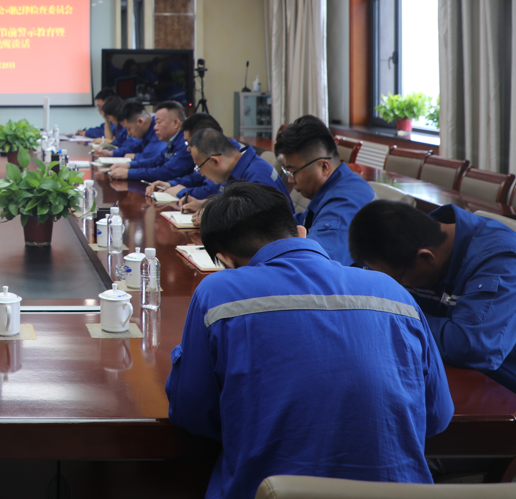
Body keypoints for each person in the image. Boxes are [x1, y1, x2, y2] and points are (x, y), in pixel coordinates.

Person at [166, 182, 452, 499]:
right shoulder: (393, 292)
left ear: (225, 261)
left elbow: (193, 413)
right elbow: (437, 415)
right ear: (301, 233)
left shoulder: (217, 293)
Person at [350, 201, 516, 469]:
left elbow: (473, 347)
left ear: (426, 258)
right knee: (363, 424)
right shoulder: (418, 241)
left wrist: (398, 316)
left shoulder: (504, 261)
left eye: (396, 280)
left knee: (389, 455)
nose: (394, 288)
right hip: (489, 403)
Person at [274, 115, 374, 266]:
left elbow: (313, 265)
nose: (290, 180)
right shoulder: (333, 189)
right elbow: (299, 223)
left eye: (293, 172)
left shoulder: (344, 203)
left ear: (324, 167)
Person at [171, 127, 287, 219]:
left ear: (215, 161)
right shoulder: (234, 170)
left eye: (199, 167)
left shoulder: (256, 177)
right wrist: (203, 204)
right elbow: (233, 206)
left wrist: (212, 218)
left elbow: (257, 224)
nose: (200, 173)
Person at [108, 101, 191, 182]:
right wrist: (129, 165)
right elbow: (156, 161)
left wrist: (129, 173)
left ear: (175, 123)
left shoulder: (185, 142)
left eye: (159, 122)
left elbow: (166, 172)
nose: (155, 127)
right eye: (155, 123)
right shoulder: (174, 140)